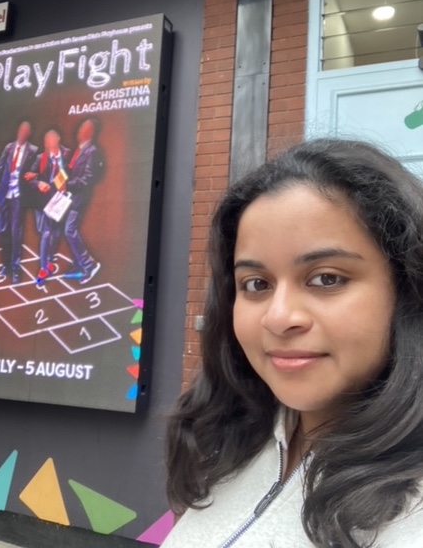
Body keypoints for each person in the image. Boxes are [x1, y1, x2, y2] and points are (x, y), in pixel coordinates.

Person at [162, 139, 423, 548]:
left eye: (326, 278)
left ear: (406, 288)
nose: (279, 317)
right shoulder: (230, 440)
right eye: (256, 284)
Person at [0, 120, 38, 284]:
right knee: (1, 231)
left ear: (28, 134)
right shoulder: (9, 148)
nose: (22, 133)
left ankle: (15, 268)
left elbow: (36, 170)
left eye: (25, 131)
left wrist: (34, 175)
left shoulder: (33, 151)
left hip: (19, 197)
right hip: (4, 195)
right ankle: (6, 264)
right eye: (20, 130)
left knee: (16, 233)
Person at [25, 128, 70, 285]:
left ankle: (49, 258)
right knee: (46, 233)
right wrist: (38, 183)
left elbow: (73, 172)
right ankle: (43, 267)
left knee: (56, 233)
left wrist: (67, 184)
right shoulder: (41, 158)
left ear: (58, 139)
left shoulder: (67, 155)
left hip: (60, 200)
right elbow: (28, 178)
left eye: (51, 139)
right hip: (43, 201)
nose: (48, 142)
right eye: (46, 140)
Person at [63, 116, 103, 285]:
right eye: (80, 128)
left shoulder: (92, 151)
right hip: (69, 196)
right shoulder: (78, 149)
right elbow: (70, 171)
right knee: (68, 230)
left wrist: (67, 185)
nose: (79, 130)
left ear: (91, 132)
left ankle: (89, 264)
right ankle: (79, 263)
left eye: (84, 128)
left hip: (79, 197)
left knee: (69, 230)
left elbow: (87, 178)